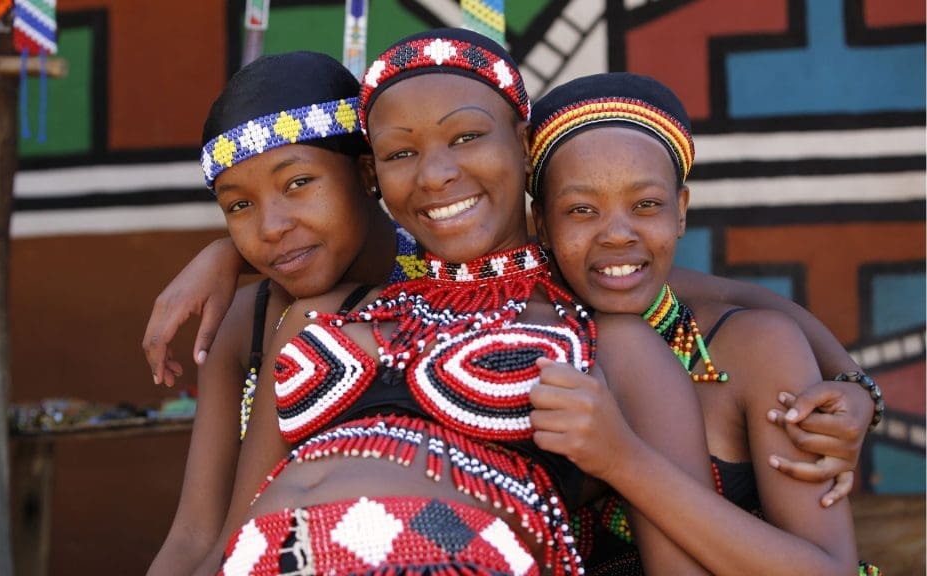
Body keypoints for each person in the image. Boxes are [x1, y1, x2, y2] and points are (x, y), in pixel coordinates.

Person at [197, 28, 714, 575]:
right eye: (400, 152)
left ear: (524, 145)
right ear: (374, 174)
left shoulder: (609, 343)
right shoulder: (317, 315)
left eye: (467, 137)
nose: (435, 175)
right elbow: (230, 537)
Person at [529, 72, 879, 574]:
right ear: (542, 224)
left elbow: (829, 569)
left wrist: (622, 461)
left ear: (681, 212)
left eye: (646, 205)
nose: (618, 235)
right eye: (582, 210)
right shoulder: (508, 351)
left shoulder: (755, 350)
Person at [146, 51, 426, 576]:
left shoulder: (447, 282)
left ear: (366, 172)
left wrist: (226, 255)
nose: (271, 227)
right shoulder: (245, 324)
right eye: (239, 206)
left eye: (297, 183)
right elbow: (194, 535)